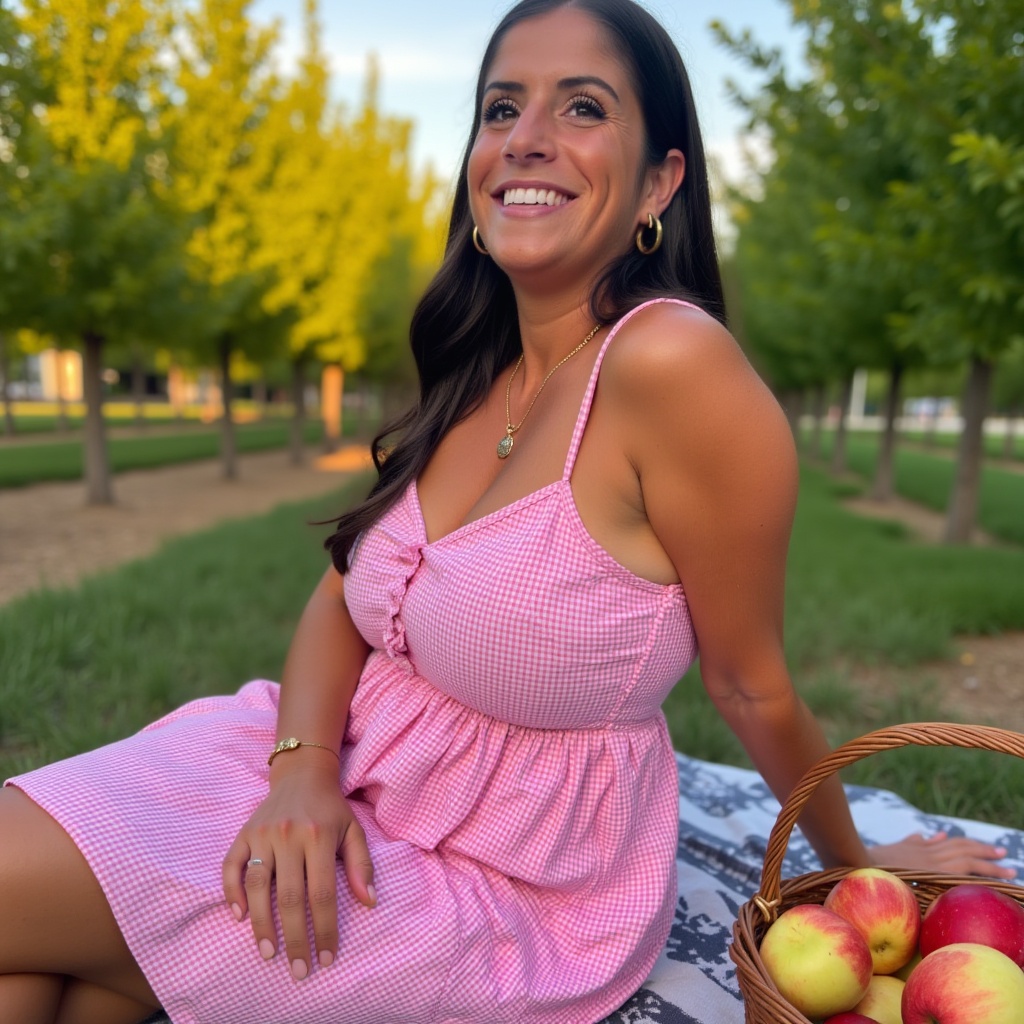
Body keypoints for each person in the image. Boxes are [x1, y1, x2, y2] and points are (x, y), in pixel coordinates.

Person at [0, 1, 1013, 1022]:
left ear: (661, 180)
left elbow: (751, 684)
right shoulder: (481, 369)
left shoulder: (669, 363)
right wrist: (301, 773)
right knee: (39, 979)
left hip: (502, 880)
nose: (524, 136)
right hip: (323, 773)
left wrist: (860, 863)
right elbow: (341, 597)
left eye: (580, 106)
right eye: (499, 108)